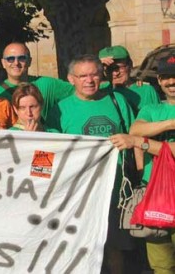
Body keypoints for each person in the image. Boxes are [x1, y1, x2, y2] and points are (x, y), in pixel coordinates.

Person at [47, 54, 135, 274]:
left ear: (101, 76)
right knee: (78, 247)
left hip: (115, 191)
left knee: (115, 247)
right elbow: (49, 147)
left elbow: (134, 135)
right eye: (82, 75)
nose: (89, 80)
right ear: (71, 79)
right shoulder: (60, 109)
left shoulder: (118, 100)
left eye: (94, 74)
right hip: (78, 194)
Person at [110, 54, 175, 273]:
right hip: (153, 192)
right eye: (166, 77)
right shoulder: (152, 110)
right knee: (161, 266)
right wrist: (170, 123)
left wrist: (140, 143)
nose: (171, 82)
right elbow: (135, 129)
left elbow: (137, 138)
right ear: (159, 81)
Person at [0, 42, 73, 123]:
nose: (16, 63)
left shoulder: (47, 84)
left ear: (29, 61)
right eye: (10, 59)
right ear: (3, 63)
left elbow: (81, 95)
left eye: (21, 58)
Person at [99, 45, 160, 114]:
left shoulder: (146, 91)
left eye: (118, 67)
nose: (115, 73)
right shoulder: (100, 90)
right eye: (109, 69)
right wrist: (96, 66)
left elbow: (158, 118)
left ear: (130, 64)